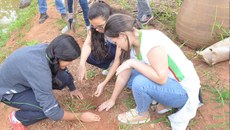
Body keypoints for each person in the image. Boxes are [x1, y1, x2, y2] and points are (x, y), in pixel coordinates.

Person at [100, 14, 201, 130]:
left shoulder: (151, 43)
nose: (117, 46)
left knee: (139, 82)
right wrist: (112, 99)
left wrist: (133, 63)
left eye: (116, 42)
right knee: (130, 77)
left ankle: (142, 114)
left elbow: (161, 78)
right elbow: (124, 74)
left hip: (183, 91)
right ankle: (160, 98)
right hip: (169, 82)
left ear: (122, 35)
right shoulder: (134, 42)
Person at [0, 34, 100, 130]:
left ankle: (32, 91)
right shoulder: (41, 73)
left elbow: (63, 70)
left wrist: (72, 88)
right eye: (69, 61)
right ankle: (17, 118)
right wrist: (80, 116)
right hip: (8, 90)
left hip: (24, 77)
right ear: (59, 58)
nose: (69, 64)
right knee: (43, 110)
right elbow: (53, 112)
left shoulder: (50, 51)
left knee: (64, 78)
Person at [77, 1, 125, 98]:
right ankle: (110, 68)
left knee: (125, 77)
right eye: (94, 26)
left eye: (100, 26)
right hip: (112, 50)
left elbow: (117, 60)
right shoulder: (96, 27)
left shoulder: (119, 28)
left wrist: (104, 83)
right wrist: (81, 64)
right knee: (88, 56)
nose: (97, 29)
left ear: (109, 19)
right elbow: (87, 44)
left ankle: (116, 69)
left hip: (123, 53)